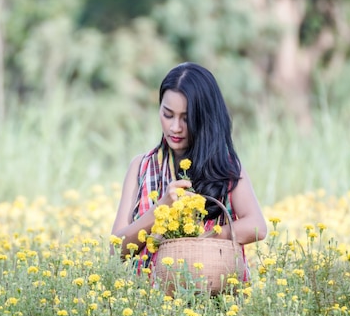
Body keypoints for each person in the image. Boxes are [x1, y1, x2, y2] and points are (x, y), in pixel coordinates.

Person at [110, 62, 267, 281]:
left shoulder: (226, 166)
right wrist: (161, 209)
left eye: (186, 118)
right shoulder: (141, 167)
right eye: (168, 114)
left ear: (204, 118)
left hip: (213, 303)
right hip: (149, 306)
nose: (175, 127)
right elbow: (115, 249)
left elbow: (257, 226)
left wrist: (205, 237)